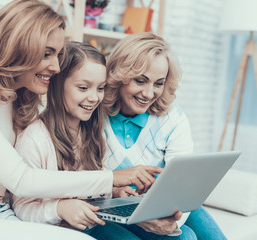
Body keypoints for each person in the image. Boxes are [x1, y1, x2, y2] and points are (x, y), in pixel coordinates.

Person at [0, 1, 161, 239]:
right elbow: (22, 180)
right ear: (16, 48)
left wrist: (111, 193)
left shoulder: (14, 97)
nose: (56, 67)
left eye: (58, 55)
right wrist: (112, 178)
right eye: (46, 54)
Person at [12, 41, 162, 240]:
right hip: (60, 230)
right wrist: (59, 208)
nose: (94, 98)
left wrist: (114, 193)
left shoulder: (91, 132)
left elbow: (89, 189)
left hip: (94, 221)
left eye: (100, 89)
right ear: (57, 86)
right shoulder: (35, 138)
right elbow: (22, 208)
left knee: (181, 235)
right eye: (83, 88)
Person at [103, 32, 226, 239]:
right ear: (119, 76)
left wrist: (172, 221)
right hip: (114, 206)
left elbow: (184, 185)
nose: (149, 93)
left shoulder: (173, 119)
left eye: (158, 83)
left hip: (166, 204)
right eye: (140, 81)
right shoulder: (93, 114)